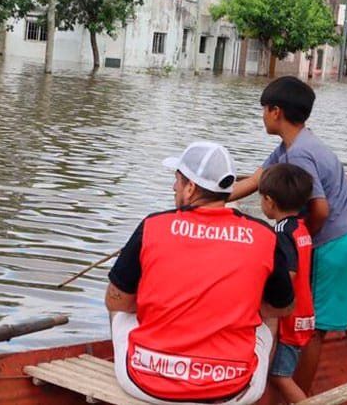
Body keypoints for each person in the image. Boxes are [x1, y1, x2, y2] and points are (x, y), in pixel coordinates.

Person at [230, 76, 347, 405]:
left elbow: (320, 208)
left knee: (312, 329)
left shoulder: (299, 154)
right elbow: (259, 179)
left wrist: (304, 241)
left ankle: (299, 400)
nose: (262, 116)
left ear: (276, 112)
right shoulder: (297, 144)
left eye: (264, 110)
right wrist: (211, 198)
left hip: (337, 243)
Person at [106, 141, 294, 405]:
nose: (174, 187)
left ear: (191, 188)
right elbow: (282, 308)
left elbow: (118, 301)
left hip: (144, 383)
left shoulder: (152, 226)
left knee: (119, 309)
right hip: (234, 390)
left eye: (178, 181)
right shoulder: (264, 235)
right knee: (268, 320)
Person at [258, 163, 315, 403]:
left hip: (289, 319)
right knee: (276, 374)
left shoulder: (281, 233)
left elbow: (288, 273)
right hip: (305, 313)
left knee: (280, 375)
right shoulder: (301, 228)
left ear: (269, 202)